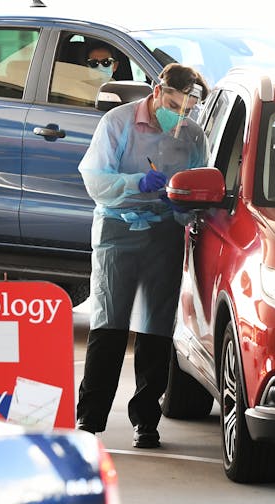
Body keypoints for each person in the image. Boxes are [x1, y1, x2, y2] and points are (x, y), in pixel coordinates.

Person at [75, 63, 208, 449]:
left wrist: (184, 205)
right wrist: (135, 182)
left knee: (155, 330)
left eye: (186, 109)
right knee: (109, 324)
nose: (178, 115)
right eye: (173, 104)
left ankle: (146, 420)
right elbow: (95, 180)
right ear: (156, 90)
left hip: (165, 232)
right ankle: (90, 418)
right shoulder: (119, 123)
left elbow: (199, 183)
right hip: (118, 230)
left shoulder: (192, 135)